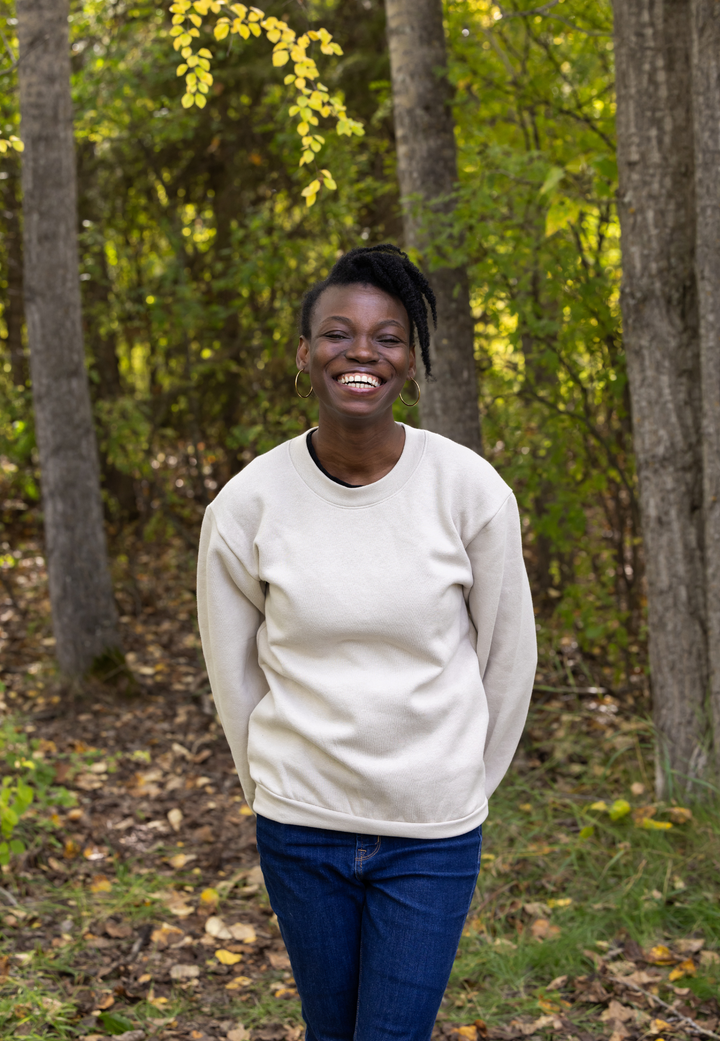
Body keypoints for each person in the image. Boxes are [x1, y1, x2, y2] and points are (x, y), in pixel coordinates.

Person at [196, 243, 537, 1041]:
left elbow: (509, 657)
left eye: (387, 336)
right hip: (301, 827)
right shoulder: (248, 504)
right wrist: (272, 787)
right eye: (338, 332)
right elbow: (232, 670)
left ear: (411, 360)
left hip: (431, 835)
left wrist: (461, 786)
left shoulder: (469, 491)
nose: (361, 351)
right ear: (304, 353)